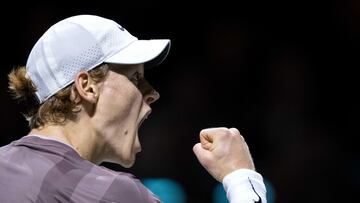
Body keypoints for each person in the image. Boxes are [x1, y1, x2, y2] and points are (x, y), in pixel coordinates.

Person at [0, 14, 266, 203]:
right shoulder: (112, 194)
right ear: (87, 86)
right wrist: (242, 178)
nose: (153, 93)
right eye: (136, 78)